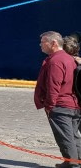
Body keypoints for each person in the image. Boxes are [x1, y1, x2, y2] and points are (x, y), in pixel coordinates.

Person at [35, 31, 81, 167]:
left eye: (43, 42)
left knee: (65, 137)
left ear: (53, 43)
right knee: (74, 136)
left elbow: (53, 86)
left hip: (61, 106)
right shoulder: (69, 58)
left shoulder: (55, 61)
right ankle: (75, 161)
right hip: (73, 105)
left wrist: (49, 107)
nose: (40, 45)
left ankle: (72, 165)